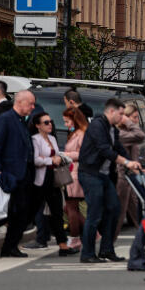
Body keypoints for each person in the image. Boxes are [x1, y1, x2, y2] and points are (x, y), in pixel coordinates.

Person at [78, 98, 141, 264]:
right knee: (95, 213)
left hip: (104, 175)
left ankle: (107, 249)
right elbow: (104, 149)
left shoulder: (112, 128)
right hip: (91, 174)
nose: (122, 118)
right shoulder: (98, 125)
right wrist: (126, 162)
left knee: (114, 209)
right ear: (111, 111)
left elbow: (117, 147)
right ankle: (88, 253)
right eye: (121, 114)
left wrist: (134, 165)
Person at [0, 90, 36, 256]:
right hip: (9, 173)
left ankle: (8, 246)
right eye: (30, 103)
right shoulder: (5, 119)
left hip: (23, 172)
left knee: (21, 212)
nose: (33, 106)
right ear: (20, 102)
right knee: (16, 211)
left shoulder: (20, 120)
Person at [28, 112, 76, 256]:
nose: (50, 125)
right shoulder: (35, 139)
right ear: (38, 126)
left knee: (57, 212)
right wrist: (50, 160)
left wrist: (58, 159)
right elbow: (35, 159)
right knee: (29, 211)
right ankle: (5, 235)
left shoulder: (52, 138)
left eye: (50, 122)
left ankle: (63, 245)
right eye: (46, 122)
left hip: (53, 178)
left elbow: (56, 156)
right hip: (40, 180)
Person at [116, 104, 145, 231]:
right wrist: (128, 122)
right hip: (124, 177)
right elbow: (140, 135)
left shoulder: (127, 133)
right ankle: (107, 244)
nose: (137, 120)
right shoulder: (123, 134)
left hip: (131, 176)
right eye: (134, 117)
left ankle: (143, 242)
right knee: (120, 214)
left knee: (137, 214)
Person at [62, 107, 88, 250]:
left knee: (71, 207)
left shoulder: (81, 134)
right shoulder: (74, 133)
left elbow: (83, 154)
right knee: (70, 207)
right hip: (72, 172)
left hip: (76, 174)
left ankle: (75, 238)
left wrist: (66, 155)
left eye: (67, 121)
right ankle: (90, 232)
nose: (66, 124)